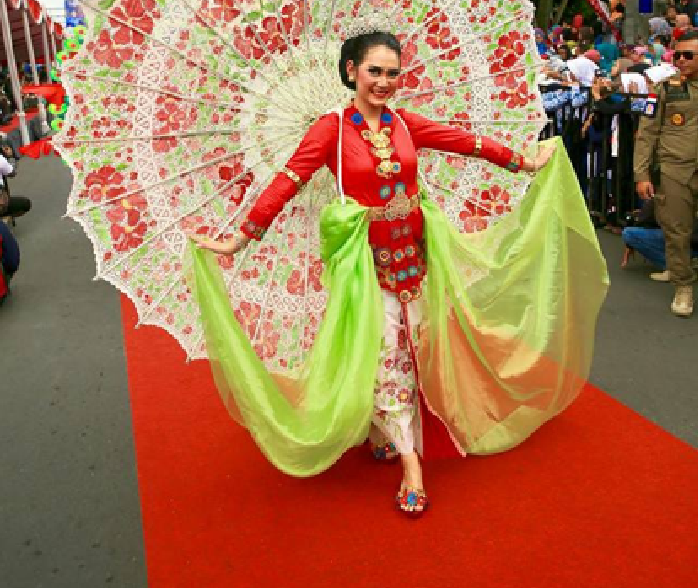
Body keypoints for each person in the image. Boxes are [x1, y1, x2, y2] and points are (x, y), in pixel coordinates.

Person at [191, 31, 606, 515]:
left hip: (415, 255)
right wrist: (241, 237)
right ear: (351, 71)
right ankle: (411, 463)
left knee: (406, 346)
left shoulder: (404, 123)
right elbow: (288, 180)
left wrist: (523, 162)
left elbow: (464, 142)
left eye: (392, 73)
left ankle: (381, 426)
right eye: (374, 71)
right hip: (365, 264)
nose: (384, 82)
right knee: (389, 351)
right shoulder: (330, 129)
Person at [633, 31, 698, 317]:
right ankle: (683, 287)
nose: (680, 60)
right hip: (675, 169)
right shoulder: (664, 89)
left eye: (688, 55)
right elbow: (646, 133)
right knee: (677, 230)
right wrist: (642, 174)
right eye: (677, 55)